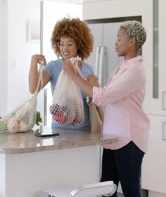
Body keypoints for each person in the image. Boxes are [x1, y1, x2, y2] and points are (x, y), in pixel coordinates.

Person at [62, 20, 150, 197]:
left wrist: (72, 76)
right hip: (112, 139)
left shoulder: (135, 70)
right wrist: (86, 80)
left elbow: (105, 96)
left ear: (131, 41)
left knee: (131, 191)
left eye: (119, 38)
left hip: (129, 139)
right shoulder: (122, 67)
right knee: (106, 191)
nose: (115, 42)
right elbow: (105, 99)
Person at [29, 17, 97, 130]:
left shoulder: (87, 69)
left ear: (79, 45)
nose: (64, 48)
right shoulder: (53, 66)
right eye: (61, 44)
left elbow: (98, 96)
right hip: (59, 130)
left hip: (83, 130)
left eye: (69, 44)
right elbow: (33, 89)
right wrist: (34, 60)